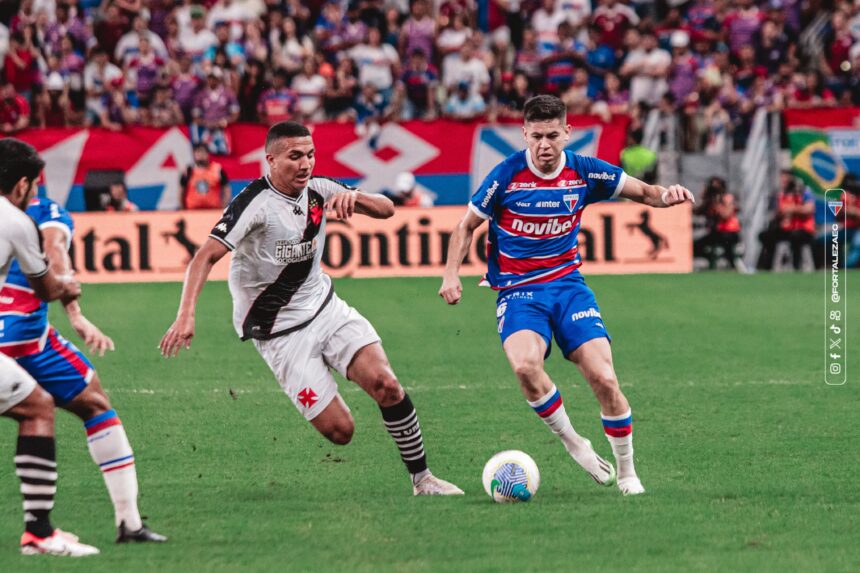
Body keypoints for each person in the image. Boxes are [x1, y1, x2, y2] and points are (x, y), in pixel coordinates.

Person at [159, 121, 463, 497]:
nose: (305, 164)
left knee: (387, 385)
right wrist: (186, 314)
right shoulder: (254, 204)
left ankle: (423, 480)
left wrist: (360, 200)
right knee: (341, 432)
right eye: (295, 156)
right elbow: (204, 256)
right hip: (278, 333)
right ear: (270, 160)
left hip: (325, 308)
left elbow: (388, 210)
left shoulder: (319, 189)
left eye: (310, 155)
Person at [439, 95, 695, 496]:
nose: (544, 144)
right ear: (524, 133)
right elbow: (465, 226)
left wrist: (669, 195)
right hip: (519, 290)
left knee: (604, 378)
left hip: (568, 287)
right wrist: (450, 274)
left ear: (567, 133)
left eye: (552, 135)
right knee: (525, 367)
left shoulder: (585, 172)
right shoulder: (505, 175)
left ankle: (627, 472)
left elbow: (645, 193)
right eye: (536, 136)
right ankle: (574, 442)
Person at [1, 191, 168, 543]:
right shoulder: (41, 211)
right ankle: (126, 523)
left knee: (39, 409)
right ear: (23, 182)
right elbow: (56, 253)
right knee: (92, 405)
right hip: (25, 336)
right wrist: (75, 314)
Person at [0, 138, 98, 556]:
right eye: (33, 186)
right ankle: (39, 533)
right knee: (39, 408)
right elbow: (45, 286)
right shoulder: (18, 221)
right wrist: (69, 288)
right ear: (22, 185)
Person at [757, 170, 816, 271]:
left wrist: (792, 208)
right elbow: (776, 211)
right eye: (782, 178)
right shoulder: (780, 194)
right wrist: (780, 213)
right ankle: (765, 267)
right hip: (788, 228)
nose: (783, 180)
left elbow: (809, 209)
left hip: (803, 228)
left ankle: (797, 266)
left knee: (796, 236)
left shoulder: (803, 191)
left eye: (785, 178)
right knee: (766, 236)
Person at [181, 143, 231, 210]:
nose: (200, 155)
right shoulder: (188, 171)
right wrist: (183, 210)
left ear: (207, 154)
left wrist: (223, 208)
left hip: (213, 213)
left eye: (202, 152)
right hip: (192, 213)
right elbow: (181, 191)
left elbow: (226, 190)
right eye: (197, 152)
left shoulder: (217, 169)